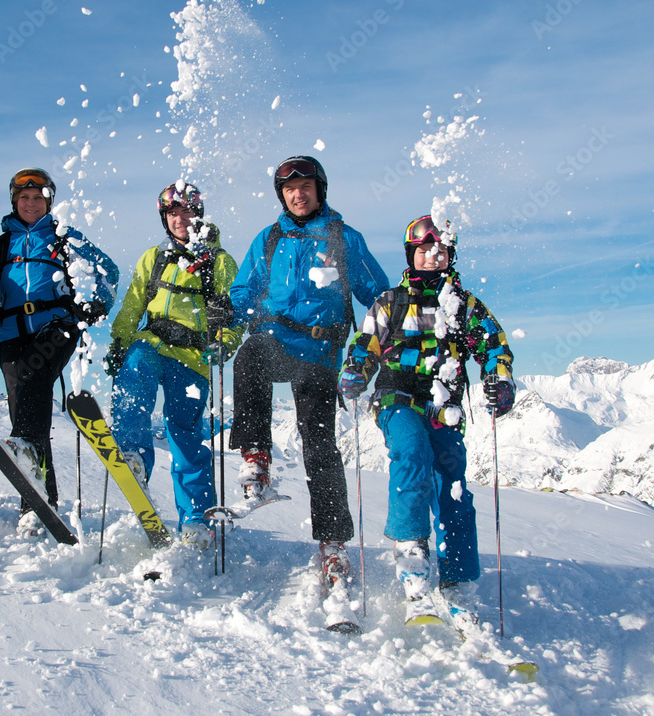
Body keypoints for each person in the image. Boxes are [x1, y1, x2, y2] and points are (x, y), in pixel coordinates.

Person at [337, 215, 515, 624]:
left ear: (450, 256)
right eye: (424, 250)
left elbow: (493, 345)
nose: (432, 257)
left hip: (445, 407)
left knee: (452, 484)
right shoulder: (391, 302)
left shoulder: (462, 305)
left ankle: (458, 580)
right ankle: (412, 554)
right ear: (410, 256)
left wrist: (499, 379)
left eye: (440, 251)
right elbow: (366, 345)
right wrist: (356, 372)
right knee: (412, 453)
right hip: (396, 398)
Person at [228, 155, 390, 585]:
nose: (298, 195)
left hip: (319, 355)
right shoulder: (270, 238)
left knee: (319, 445)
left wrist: (385, 343)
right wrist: (226, 310)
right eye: (289, 189)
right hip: (274, 342)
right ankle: (256, 463)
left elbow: (381, 299)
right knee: (249, 358)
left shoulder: (343, 238)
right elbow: (245, 289)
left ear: (319, 190)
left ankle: (334, 548)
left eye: (305, 188)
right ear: (281, 195)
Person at [0, 168, 118, 536]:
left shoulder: (62, 235)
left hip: (57, 324)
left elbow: (108, 270)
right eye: (24, 198)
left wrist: (98, 303)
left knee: (33, 379)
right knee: (27, 410)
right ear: (14, 201)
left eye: (38, 197)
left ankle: (25, 457)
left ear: (48, 201)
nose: (31, 203)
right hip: (9, 333)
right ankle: (37, 503)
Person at [107, 182, 243, 548]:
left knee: (185, 433)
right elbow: (133, 303)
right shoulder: (154, 258)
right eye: (173, 213)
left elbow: (236, 314)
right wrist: (120, 342)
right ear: (165, 219)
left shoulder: (220, 261)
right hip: (152, 343)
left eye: (187, 212)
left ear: (199, 215)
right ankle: (133, 455)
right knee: (134, 372)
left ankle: (197, 519)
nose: (181, 219)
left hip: (194, 358)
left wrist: (224, 342)